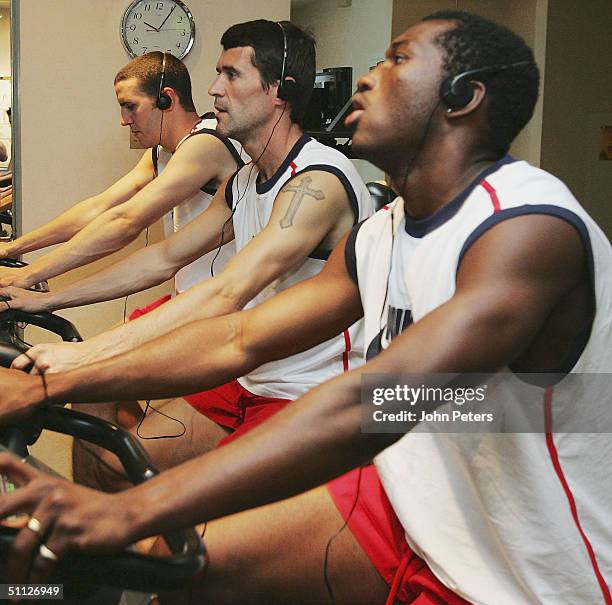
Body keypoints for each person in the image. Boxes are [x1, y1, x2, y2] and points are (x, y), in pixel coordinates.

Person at [0, 10, 610, 604]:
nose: (367, 75)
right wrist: (55, 382)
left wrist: (130, 509)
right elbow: (240, 338)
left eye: (397, 61)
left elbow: (375, 400)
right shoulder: (383, 231)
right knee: (172, 569)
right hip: (412, 489)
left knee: (157, 544)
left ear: (464, 96)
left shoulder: (525, 227)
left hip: (532, 562)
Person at [1, 20, 373, 488]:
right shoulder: (244, 182)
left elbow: (225, 293)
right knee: (113, 453)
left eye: (232, 75)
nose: (215, 89)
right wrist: (41, 299)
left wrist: (83, 356)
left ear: (280, 89)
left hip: (306, 397)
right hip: (247, 377)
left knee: (190, 529)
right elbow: (163, 258)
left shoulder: (315, 184)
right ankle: (98, 549)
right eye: (217, 73)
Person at [0, 52, 245, 291]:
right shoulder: (162, 153)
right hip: (189, 299)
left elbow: (126, 220)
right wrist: (12, 248)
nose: (124, 120)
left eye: (130, 106)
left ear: (166, 99)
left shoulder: (206, 143)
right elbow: (98, 208)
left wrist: (28, 274)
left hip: (227, 306)